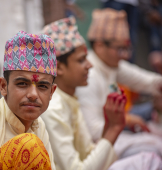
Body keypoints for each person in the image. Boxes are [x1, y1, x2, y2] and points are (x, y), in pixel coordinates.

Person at [76, 8, 162, 169]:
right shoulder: (89, 75)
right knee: (155, 147)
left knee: (160, 137)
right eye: (120, 49)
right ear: (99, 45)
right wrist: (126, 120)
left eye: (127, 49)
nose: (125, 55)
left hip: (114, 127)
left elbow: (146, 81)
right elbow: (94, 132)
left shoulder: (111, 64)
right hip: (97, 145)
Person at [0, 31, 57, 170]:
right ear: (3, 86)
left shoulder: (38, 125)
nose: (32, 95)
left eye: (42, 86)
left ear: (51, 92)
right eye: (22, 84)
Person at [41, 16, 127, 170]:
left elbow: (89, 155)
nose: (89, 65)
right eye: (81, 60)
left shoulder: (70, 99)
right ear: (59, 68)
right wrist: (114, 129)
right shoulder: (53, 108)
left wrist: (109, 126)